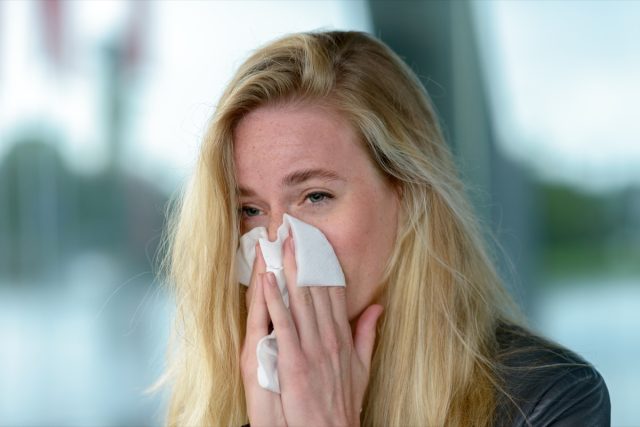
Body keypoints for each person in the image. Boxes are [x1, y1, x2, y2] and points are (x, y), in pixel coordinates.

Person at [158, 31, 610, 426]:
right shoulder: (211, 397)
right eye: (250, 211)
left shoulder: (549, 399)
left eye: (315, 197)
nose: (277, 245)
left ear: (406, 196)